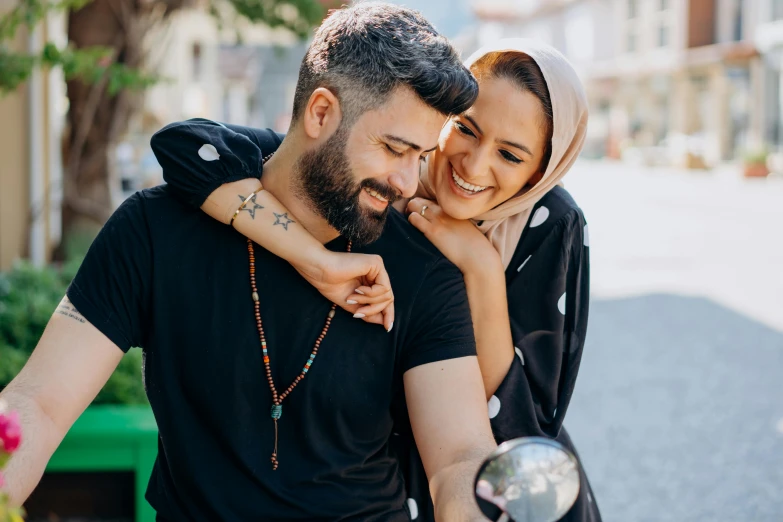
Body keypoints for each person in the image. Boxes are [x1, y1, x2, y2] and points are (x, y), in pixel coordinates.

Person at [0, 4, 500, 521]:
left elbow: (461, 456)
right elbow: (37, 405)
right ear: (321, 112)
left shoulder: (421, 269)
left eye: (419, 156)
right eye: (394, 149)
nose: (407, 182)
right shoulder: (156, 231)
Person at [154, 38, 602, 522]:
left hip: (485, 488)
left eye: (511, 156)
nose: (473, 165)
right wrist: (311, 257)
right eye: (465, 129)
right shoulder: (382, 170)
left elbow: (525, 423)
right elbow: (186, 147)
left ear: (543, 170)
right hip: (366, 477)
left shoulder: (550, 223)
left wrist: (481, 270)